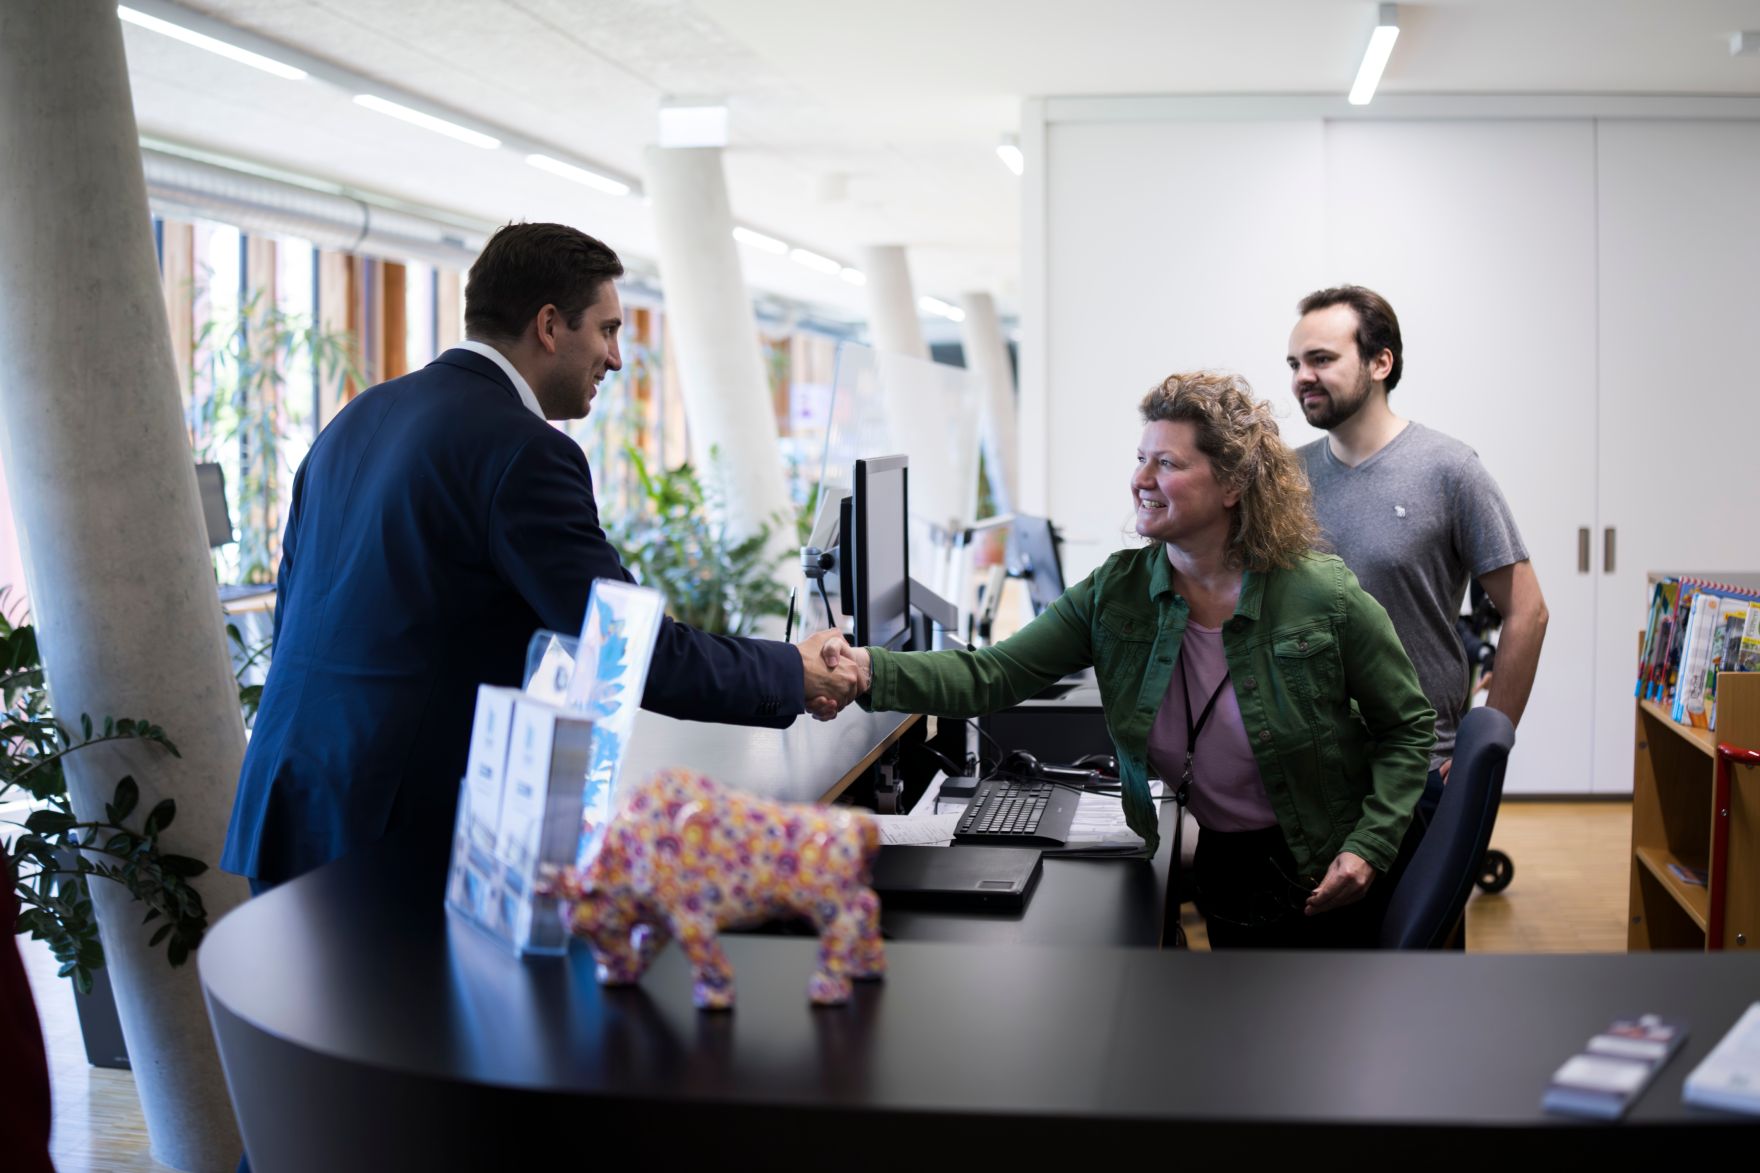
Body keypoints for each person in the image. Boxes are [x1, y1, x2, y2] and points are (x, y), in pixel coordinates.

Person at [223, 222, 861, 892]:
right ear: (551, 325)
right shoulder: (525, 450)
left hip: (289, 802)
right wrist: (795, 669)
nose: (615, 359)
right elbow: (630, 652)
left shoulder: (357, 418)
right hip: (391, 831)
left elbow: (298, 605)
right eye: (608, 330)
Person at [835, 373, 1434, 948]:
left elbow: (1407, 727)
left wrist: (1369, 847)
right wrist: (864, 668)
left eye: (1168, 463)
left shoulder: (1320, 595)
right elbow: (991, 675)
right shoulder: (1116, 594)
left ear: (1231, 486)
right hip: (1229, 867)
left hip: (1332, 868)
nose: (1141, 478)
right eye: (1141, 458)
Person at [1287, 286, 1548, 828]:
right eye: (1295, 363)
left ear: (1380, 362)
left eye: (1322, 359)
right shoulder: (1287, 479)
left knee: (1417, 917)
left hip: (1418, 768)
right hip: (1307, 772)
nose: (1301, 377)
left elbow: (1528, 611)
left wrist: (1485, 748)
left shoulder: (1449, 470)